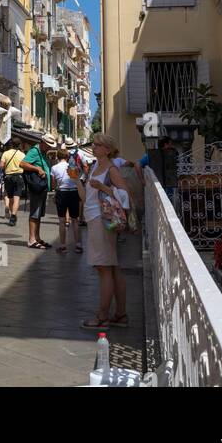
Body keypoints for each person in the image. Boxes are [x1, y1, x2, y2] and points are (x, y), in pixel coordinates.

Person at [78, 132, 130, 329]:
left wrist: (103, 187)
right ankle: (120, 314)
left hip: (103, 219)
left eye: (98, 144)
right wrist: (76, 181)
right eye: (94, 144)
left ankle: (103, 316)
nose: (94, 147)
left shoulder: (111, 169)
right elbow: (86, 198)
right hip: (93, 217)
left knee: (104, 268)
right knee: (112, 267)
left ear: (107, 149)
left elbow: (125, 195)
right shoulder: (94, 167)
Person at [22, 132, 54, 249]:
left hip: (42, 187)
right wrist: (37, 168)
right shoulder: (34, 151)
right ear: (43, 142)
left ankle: (37, 237)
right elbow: (22, 163)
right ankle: (31, 239)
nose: (50, 147)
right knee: (35, 213)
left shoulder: (43, 152)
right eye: (49, 144)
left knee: (39, 214)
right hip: (37, 187)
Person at [52, 148, 82, 254]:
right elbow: (78, 178)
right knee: (75, 220)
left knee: (62, 220)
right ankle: (78, 245)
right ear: (67, 157)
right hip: (74, 192)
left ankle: (63, 246)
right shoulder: (73, 166)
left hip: (62, 193)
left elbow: (53, 185)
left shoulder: (54, 168)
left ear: (58, 157)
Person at [0, 138, 26, 225]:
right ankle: (13, 216)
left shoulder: (6, 153)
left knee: (10, 199)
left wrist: (7, 167)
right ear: (19, 145)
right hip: (18, 177)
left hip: (8, 177)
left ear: (11, 144)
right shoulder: (22, 155)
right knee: (16, 198)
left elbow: (1, 166)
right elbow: (25, 166)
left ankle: (11, 214)